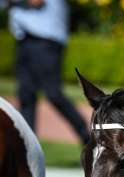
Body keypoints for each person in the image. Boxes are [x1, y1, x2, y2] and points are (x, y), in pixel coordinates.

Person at [7, 0, 90, 145]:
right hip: (24, 39)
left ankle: (88, 138)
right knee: (26, 95)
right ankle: (28, 148)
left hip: (46, 39)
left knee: (53, 94)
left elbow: (36, 2)